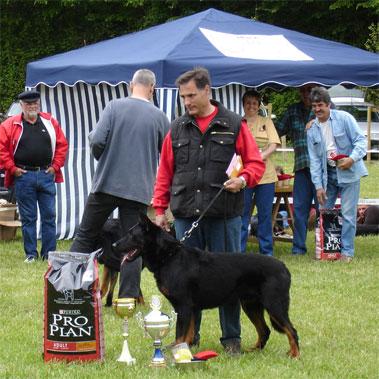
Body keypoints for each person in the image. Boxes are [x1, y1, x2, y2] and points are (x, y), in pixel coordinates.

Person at [153, 67, 265, 355]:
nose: (187, 101)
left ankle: (231, 340)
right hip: (186, 215)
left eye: (191, 95)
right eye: (183, 96)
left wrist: (242, 179)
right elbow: (165, 171)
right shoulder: (177, 127)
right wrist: (159, 209)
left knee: (230, 281)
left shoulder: (233, 124)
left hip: (224, 215)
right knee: (183, 283)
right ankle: (189, 338)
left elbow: (255, 163)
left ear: (207, 90)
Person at [70, 69, 170, 298]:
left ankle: (70, 290)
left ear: (130, 85)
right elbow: (167, 155)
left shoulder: (114, 107)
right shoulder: (159, 116)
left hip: (105, 184)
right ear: (152, 89)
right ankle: (127, 298)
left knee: (85, 236)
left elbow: (96, 140)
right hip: (137, 191)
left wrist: (103, 157)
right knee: (135, 245)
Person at [0, 90, 68, 262]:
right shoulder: (9, 125)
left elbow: (62, 145)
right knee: (28, 218)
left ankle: (49, 254)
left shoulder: (50, 122)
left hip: (46, 174)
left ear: (39, 104)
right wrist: (12, 169)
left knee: (49, 217)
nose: (32, 107)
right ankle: (31, 254)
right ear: (21, 106)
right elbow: (1, 149)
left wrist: (55, 166)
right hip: (24, 176)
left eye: (35, 103)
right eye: (28, 104)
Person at [307, 86, 368, 262]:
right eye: (314, 106)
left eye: (320, 105)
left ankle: (346, 252)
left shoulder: (345, 118)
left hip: (349, 171)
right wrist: (318, 186)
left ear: (328, 105)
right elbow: (315, 161)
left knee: (348, 214)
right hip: (328, 175)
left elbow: (361, 142)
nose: (317, 109)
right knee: (324, 212)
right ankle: (327, 250)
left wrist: (352, 159)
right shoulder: (311, 130)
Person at [275, 84, 318, 255]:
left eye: (310, 90)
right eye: (303, 90)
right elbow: (275, 131)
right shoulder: (292, 111)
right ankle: (299, 248)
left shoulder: (325, 108)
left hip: (322, 169)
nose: (306, 93)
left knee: (324, 208)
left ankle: (326, 247)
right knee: (299, 210)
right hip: (301, 167)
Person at [240, 90, 281, 256]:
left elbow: (273, 144)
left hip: (266, 176)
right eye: (248, 103)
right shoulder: (238, 122)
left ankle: (266, 252)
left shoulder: (267, 121)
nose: (251, 106)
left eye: (255, 103)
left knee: (264, 214)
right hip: (244, 175)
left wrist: (259, 157)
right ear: (243, 105)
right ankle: (239, 251)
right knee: (242, 214)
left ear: (259, 106)